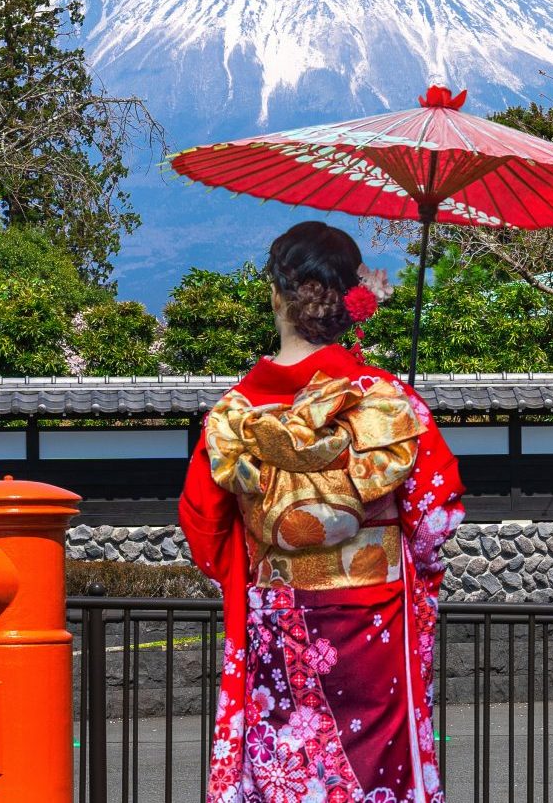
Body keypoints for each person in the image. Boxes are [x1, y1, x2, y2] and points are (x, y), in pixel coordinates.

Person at [178, 221, 467, 803]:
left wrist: (275, 549)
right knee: (377, 777)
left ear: (276, 294)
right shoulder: (387, 401)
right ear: (348, 301)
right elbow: (436, 520)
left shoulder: (232, 414)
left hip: (277, 617)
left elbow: (205, 533)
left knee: (283, 767)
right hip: (373, 624)